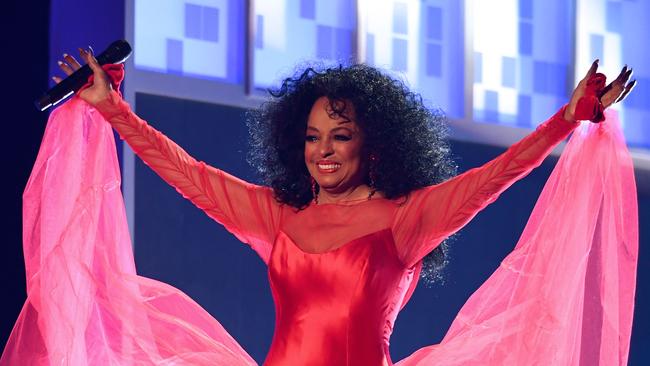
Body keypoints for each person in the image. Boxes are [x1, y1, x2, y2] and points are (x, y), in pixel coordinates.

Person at [14, 48, 636, 365]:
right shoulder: (280, 217)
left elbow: (496, 176)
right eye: (312, 137)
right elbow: (186, 173)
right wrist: (113, 108)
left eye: (340, 136)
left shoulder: (406, 218)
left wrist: (565, 120)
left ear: (375, 144)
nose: (324, 152)